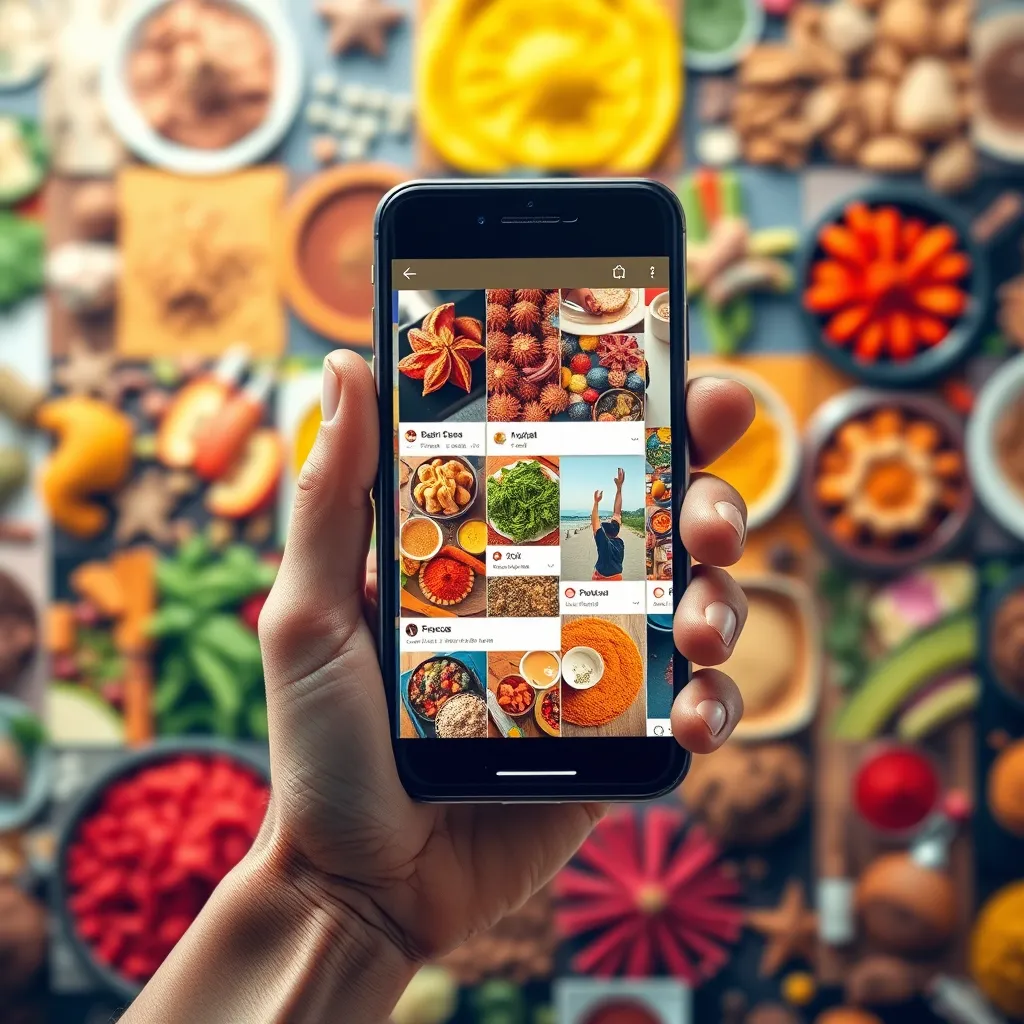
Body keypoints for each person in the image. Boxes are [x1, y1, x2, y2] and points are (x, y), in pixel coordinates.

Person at [120, 352, 752, 1023]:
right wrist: (351, 895)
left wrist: (347, 901)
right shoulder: (542, 528)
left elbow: (617, 506)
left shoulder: (604, 532)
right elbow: (601, 503)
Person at [591, 467, 626, 581]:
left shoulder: (604, 544)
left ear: (605, 534)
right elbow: (617, 512)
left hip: (603, 578)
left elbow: (595, 523)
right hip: (618, 577)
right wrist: (619, 488)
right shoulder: (620, 543)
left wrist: (596, 503)